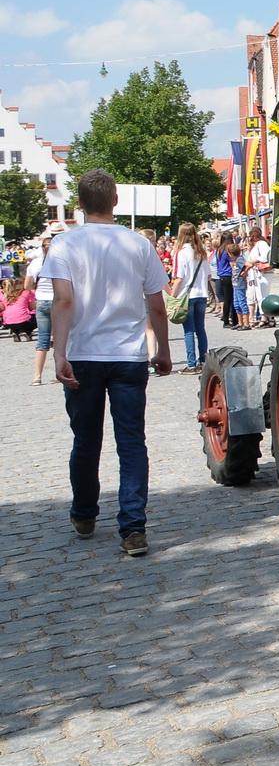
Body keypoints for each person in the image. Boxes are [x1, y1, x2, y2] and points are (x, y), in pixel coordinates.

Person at [42, 170, 172, 556]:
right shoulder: (138, 244)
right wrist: (163, 349)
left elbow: (62, 302)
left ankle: (84, 513)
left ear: (79, 204)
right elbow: (156, 305)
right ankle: (133, 528)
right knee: (131, 442)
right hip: (128, 355)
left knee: (86, 440)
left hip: (83, 354)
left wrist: (59, 352)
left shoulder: (64, 245)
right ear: (116, 201)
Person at [169, 222, 210, 374]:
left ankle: (191, 364)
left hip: (187, 295)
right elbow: (208, 276)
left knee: (188, 331)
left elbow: (179, 278)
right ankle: (203, 361)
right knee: (200, 329)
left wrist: (172, 297)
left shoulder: (181, 253)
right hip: (202, 294)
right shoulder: (202, 252)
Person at [28, 234, 56, 385]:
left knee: (42, 340)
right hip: (58, 301)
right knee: (60, 338)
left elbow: (27, 286)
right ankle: (60, 371)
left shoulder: (36, 263)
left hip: (42, 301)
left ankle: (37, 376)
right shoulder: (61, 262)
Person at [245, 231, 273, 328]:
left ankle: (265, 318)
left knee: (263, 295)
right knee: (260, 295)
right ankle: (266, 317)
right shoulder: (257, 245)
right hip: (257, 273)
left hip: (263, 273)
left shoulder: (261, 244)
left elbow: (265, 256)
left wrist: (254, 261)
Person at [3, 276, 36, 340]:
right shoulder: (27, 292)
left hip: (8, 323)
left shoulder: (8, 294)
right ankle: (27, 332)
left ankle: (16, 332)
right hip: (23, 322)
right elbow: (32, 308)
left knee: (17, 319)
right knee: (38, 316)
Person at [213, 238, 236, 327]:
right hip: (228, 274)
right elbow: (232, 262)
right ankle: (233, 319)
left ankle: (226, 319)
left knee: (226, 299)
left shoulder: (219, 250)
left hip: (221, 275)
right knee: (231, 299)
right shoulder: (227, 251)